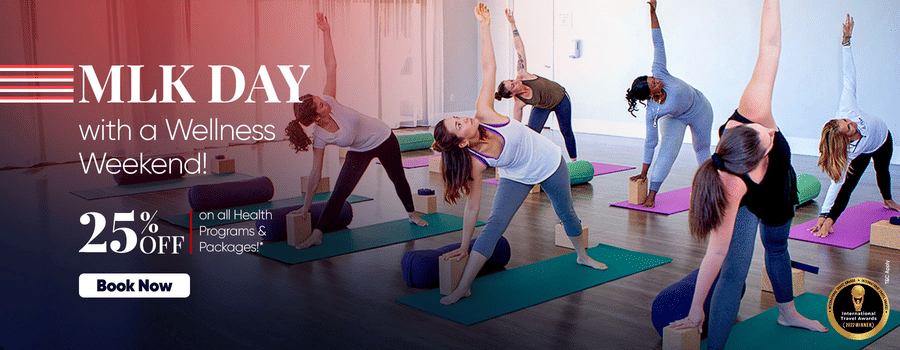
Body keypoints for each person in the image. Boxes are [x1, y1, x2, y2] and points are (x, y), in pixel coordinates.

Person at [668, 1, 827, 348]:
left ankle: (788, 313)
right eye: (766, 142)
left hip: (781, 189)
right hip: (749, 204)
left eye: (763, 131)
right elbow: (715, 252)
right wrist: (697, 311)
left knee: (777, 247)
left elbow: (770, 45)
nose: (771, 133)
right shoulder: (730, 185)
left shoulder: (754, 110)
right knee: (734, 271)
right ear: (748, 165)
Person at [432, 3, 605, 306]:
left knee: (566, 214)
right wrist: (463, 245)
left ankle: (582, 255)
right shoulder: (474, 163)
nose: (465, 119)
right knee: (495, 224)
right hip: (516, 175)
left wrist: (484, 25)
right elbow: (473, 208)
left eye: (459, 117)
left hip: (549, 163)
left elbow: (489, 68)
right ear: (461, 142)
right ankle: (463, 286)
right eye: (458, 124)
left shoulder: (484, 112)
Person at [285, 12, 427, 249]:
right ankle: (317, 234)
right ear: (316, 118)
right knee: (340, 191)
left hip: (383, 137)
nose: (326, 103)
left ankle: (412, 213)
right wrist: (306, 205)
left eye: (321, 100)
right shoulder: (320, 136)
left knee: (397, 177)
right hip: (360, 150)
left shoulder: (331, 99)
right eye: (321, 105)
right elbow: (315, 173)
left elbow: (331, 64)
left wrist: (326, 32)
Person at [810, 14, 898, 238]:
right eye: (848, 127)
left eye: (846, 121)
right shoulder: (850, 151)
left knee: (883, 170)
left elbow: (849, 75)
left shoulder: (847, 109)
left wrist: (846, 42)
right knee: (849, 184)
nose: (851, 122)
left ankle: (887, 199)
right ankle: (831, 219)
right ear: (846, 140)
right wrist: (824, 216)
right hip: (864, 149)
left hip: (883, 137)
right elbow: (837, 186)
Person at [625, 0, 713, 208]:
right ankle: (653, 195)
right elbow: (650, 143)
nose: (657, 80)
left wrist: (652, 12)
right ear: (650, 94)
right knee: (667, 151)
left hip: (700, 109)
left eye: (653, 79)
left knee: (702, 149)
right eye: (654, 83)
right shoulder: (654, 111)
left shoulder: (660, 70)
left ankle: (709, 190)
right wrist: (643, 174)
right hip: (676, 118)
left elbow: (658, 42)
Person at [494, 9, 578, 162]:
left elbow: (519, 48)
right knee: (532, 133)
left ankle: (574, 162)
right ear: (512, 94)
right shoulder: (518, 104)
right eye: (512, 85)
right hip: (542, 106)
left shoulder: (522, 74)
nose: (514, 81)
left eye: (511, 80)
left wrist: (512, 24)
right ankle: (528, 161)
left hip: (560, 98)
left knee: (566, 130)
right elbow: (517, 129)